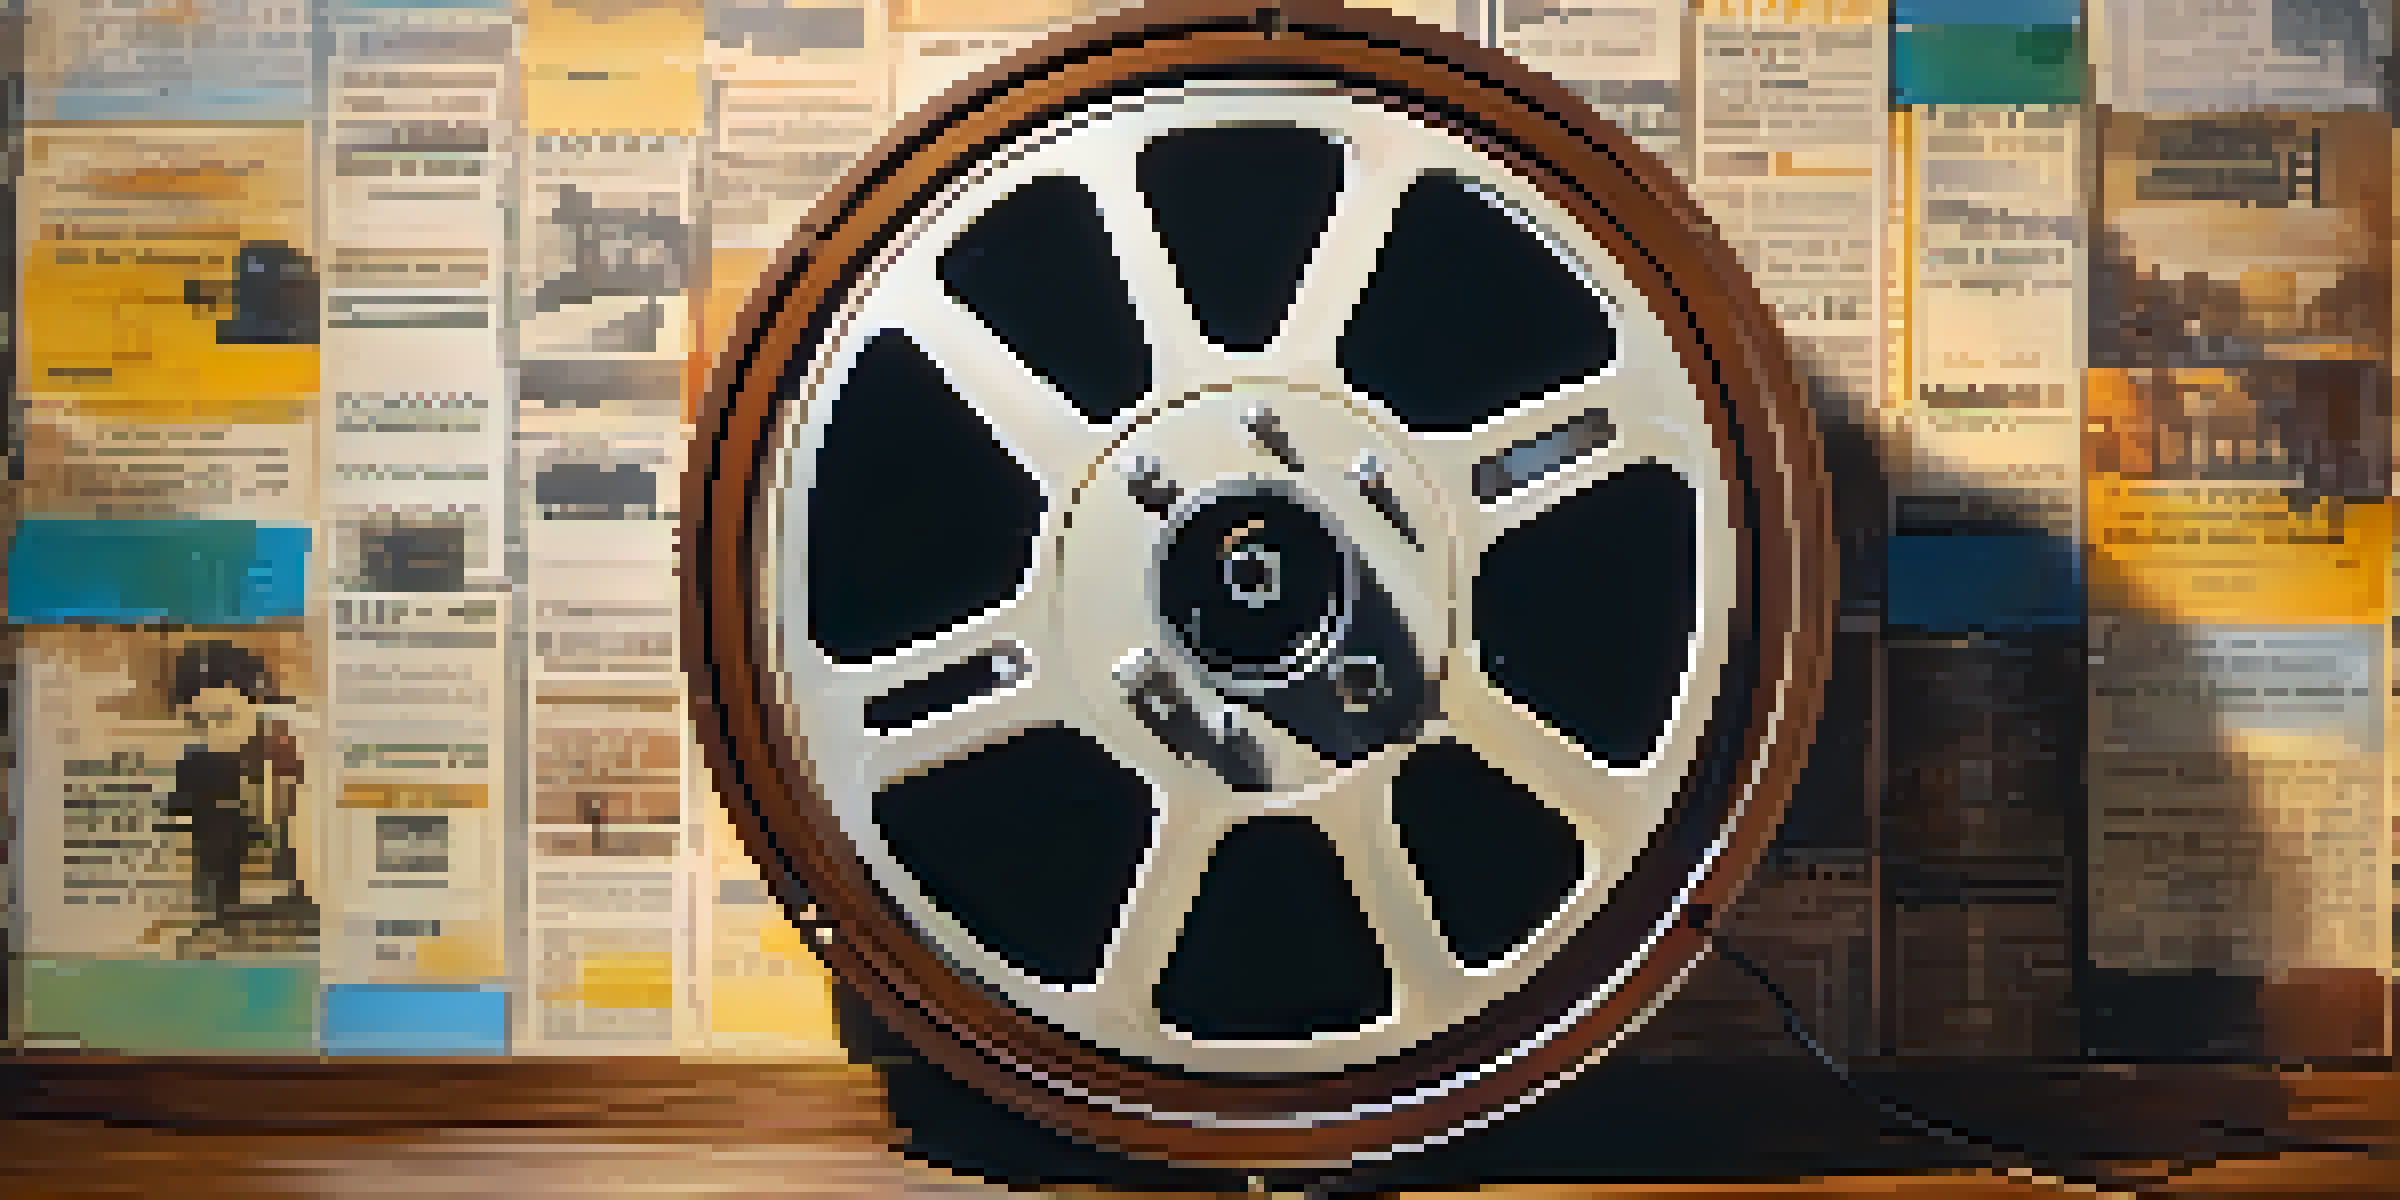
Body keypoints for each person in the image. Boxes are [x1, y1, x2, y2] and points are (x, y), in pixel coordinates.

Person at [145, 640, 318, 957]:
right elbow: (179, 849)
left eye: (224, 718)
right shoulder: (194, 765)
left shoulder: (292, 755)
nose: (212, 733)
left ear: (259, 706)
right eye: (198, 722)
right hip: (222, 918)